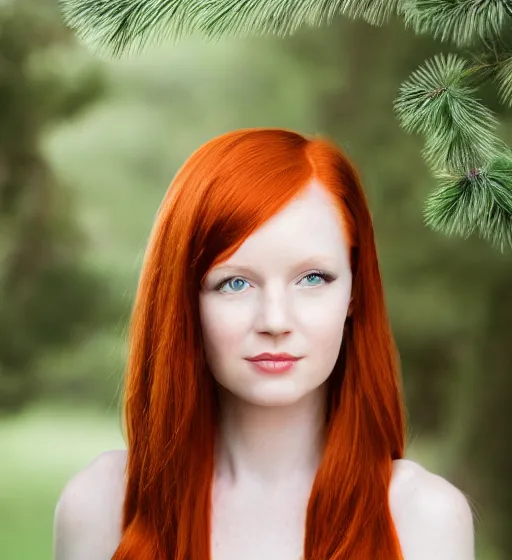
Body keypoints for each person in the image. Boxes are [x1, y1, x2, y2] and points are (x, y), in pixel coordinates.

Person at [53, 127, 475, 560]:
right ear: (183, 301)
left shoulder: (422, 519)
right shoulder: (99, 508)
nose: (275, 320)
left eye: (312, 278)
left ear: (354, 291)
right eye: (235, 282)